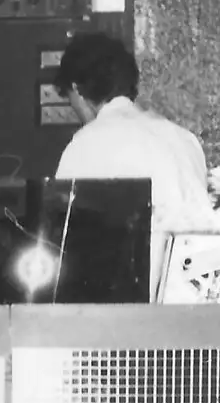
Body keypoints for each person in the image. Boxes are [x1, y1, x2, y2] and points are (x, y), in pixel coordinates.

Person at [52, 31, 216, 299]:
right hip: (204, 305)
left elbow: (61, 243)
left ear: (78, 90)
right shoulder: (183, 138)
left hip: (145, 314)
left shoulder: (87, 144)